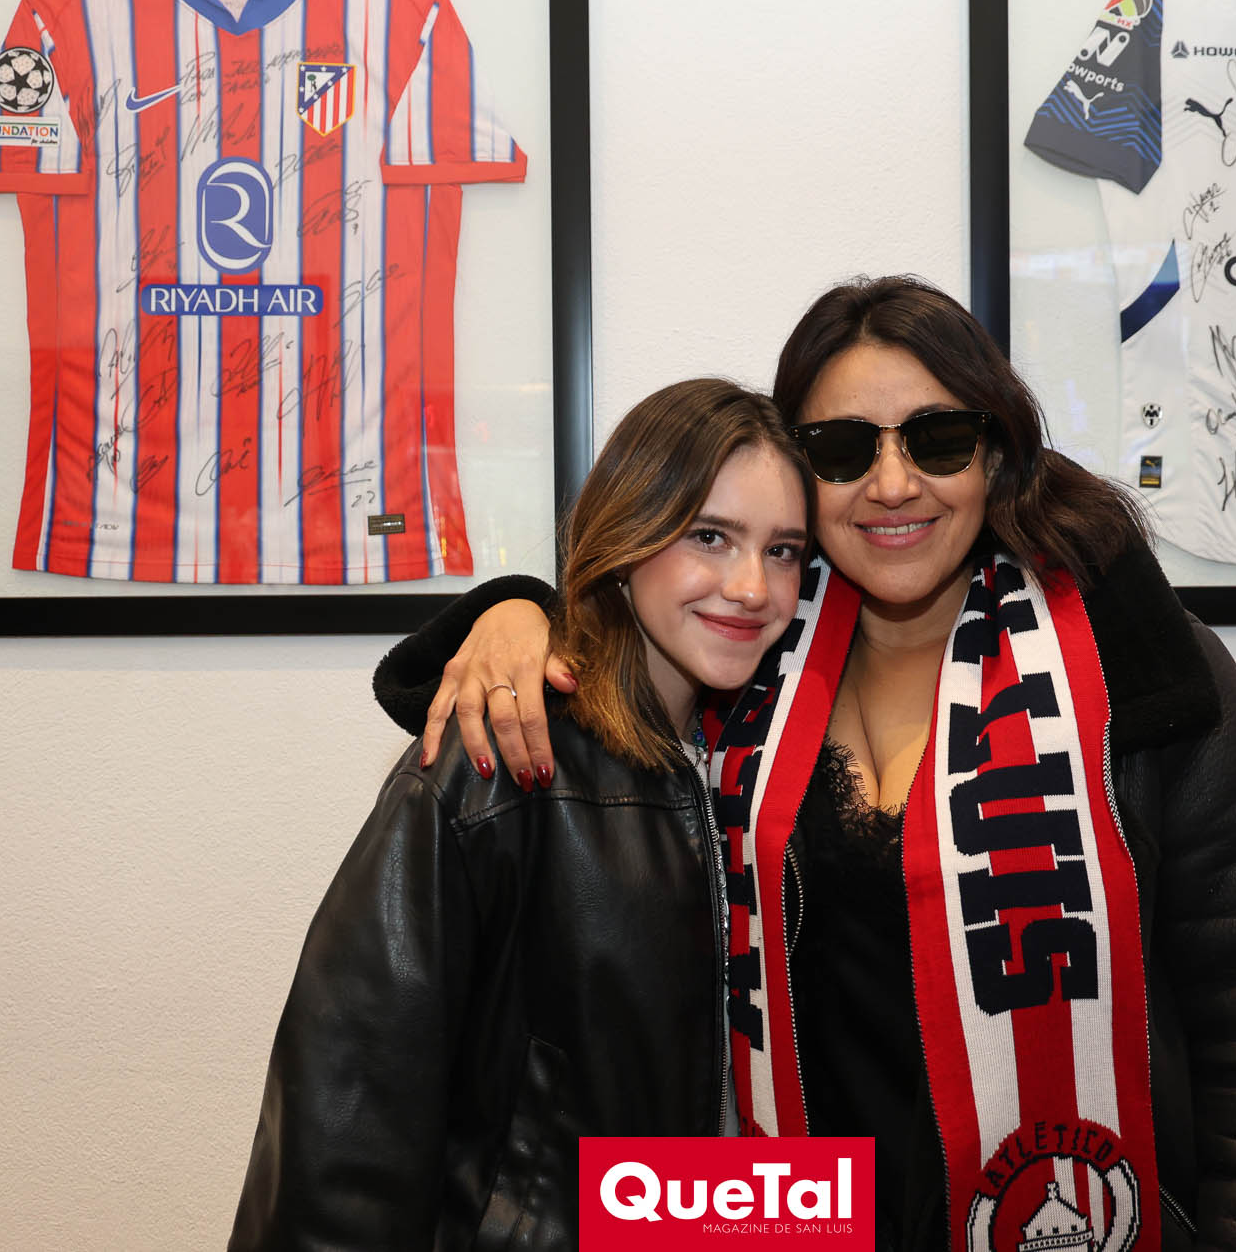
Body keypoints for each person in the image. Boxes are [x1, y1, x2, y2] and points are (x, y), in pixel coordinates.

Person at [381, 277, 1236, 1251]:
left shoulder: (1131, 665)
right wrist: (517, 611)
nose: (892, 484)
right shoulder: (741, 654)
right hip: (791, 1226)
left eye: (937, 439)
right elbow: (608, 642)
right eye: (843, 449)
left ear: (993, 453)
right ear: (797, 473)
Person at [228, 378, 812, 1250]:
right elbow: (347, 1116)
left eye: (784, 550)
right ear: (627, 534)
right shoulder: (500, 757)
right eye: (709, 535)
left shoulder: (764, 768)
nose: (751, 585)